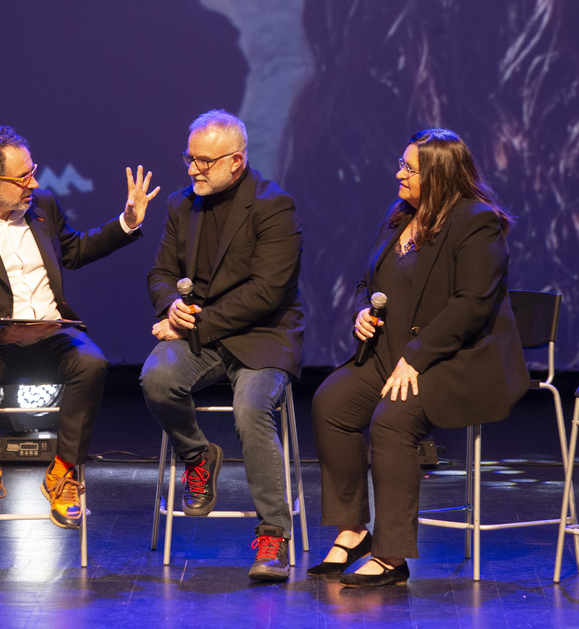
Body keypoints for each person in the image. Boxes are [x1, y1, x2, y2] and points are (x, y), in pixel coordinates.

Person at [309, 129, 529, 587]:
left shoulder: (476, 222)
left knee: (392, 421)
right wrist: (362, 312)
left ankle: (392, 557)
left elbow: (471, 305)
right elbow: (365, 282)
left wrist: (416, 357)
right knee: (331, 404)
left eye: (409, 168)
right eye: (402, 164)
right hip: (390, 356)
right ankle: (353, 530)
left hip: (453, 361)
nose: (399, 174)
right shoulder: (400, 216)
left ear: (439, 175)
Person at [0, 125, 158, 531]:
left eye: (33, 171)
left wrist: (126, 222)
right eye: (23, 177)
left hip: (51, 334)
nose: (35, 182)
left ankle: (63, 472)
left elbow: (74, 250)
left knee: (93, 363)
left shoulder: (43, 205)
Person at [140, 110, 304, 582]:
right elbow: (160, 273)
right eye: (189, 158)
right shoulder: (180, 205)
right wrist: (171, 305)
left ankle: (273, 533)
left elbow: (267, 291)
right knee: (157, 377)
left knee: (252, 408)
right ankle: (197, 457)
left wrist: (194, 323)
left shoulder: (275, 205)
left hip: (263, 334)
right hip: (199, 331)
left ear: (236, 161)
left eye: (204, 161)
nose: (193, 169)